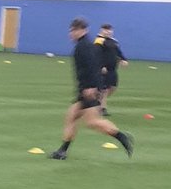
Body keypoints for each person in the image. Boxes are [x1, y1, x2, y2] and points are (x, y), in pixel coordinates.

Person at [50, 17, 133, 160]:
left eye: (74, 31)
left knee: (92, 122)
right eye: (71, 31)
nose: (71, 34)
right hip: (86, 89)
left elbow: (93, 68)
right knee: (71, 117)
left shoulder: (85, 47)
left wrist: (92, 88)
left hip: (89, 90)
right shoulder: (84, 45)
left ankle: (121, 136)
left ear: (82, 30)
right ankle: (62, 151)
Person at [94, 22, 128, 116]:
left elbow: (118, 52)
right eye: (106, 30)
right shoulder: (99, 41)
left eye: (109, 30)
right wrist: (101, 66)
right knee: (104, 89)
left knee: (113, 87)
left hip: (113, 69)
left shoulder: (113, 41)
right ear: (101, 30)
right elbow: (97, 54)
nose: (108, 32)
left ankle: (97, 101)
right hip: (104, 69)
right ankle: (102, 108)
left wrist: (123, 59)